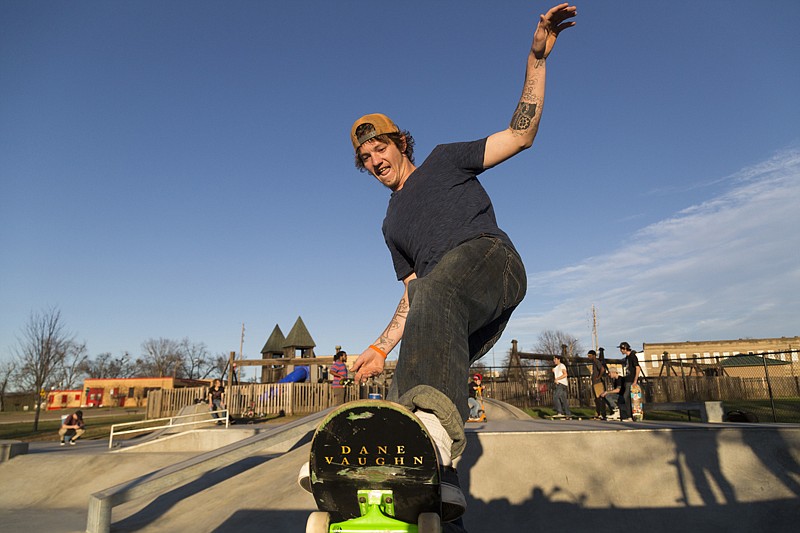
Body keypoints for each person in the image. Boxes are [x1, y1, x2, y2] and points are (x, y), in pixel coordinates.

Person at [301, 4, 577, 521]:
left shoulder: (445, 160)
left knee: (437, 291)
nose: (375, 162)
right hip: (450, 305)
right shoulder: (390, 226)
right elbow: (412, 297)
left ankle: (432, 435)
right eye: (365, 160)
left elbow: (520, 135)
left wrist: (536, 61)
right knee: (413, 378)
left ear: (399, 142)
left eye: (379, 148)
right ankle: (433, 481)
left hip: (493, 262)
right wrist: (380, 348)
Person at [617, 342, 640, 421]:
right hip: (627, 380)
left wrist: (635, 381)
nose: (620, 351)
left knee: (626, 397)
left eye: (621, 349)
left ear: (625, 348)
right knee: (627, 397)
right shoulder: (627, 358)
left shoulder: (632, 356)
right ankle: (630, 415)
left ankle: (630, 416)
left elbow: (637, 368)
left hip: (631, 380)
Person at [551, 354, 572, 418]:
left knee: (555, 397)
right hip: (559, 384)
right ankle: (568, 414)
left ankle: (560, 412)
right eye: (553, 359)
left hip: (562, 384)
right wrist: (553, 370)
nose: (554, 360)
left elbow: (565, 374)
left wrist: (557, 379)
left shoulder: (562, 365)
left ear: (558, 359)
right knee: (563, 400)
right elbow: (556, 372)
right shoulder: (556, 367)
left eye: (555, 359)